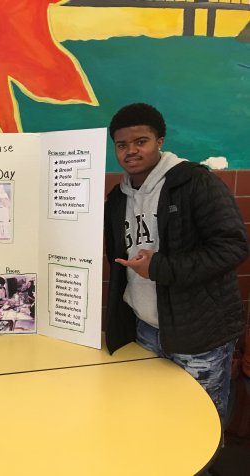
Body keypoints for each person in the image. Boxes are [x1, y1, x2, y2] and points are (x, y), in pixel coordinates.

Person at [104, 103, 249, 420]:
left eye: (140, 141)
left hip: (199, 334)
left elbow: (233, 247)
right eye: (121, 145)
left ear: (160, 141)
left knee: (201, 420)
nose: (131, 151)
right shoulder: (117, 198)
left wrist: (159, 267)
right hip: (145, 329)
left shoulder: (196, 182)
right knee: (154, 415)